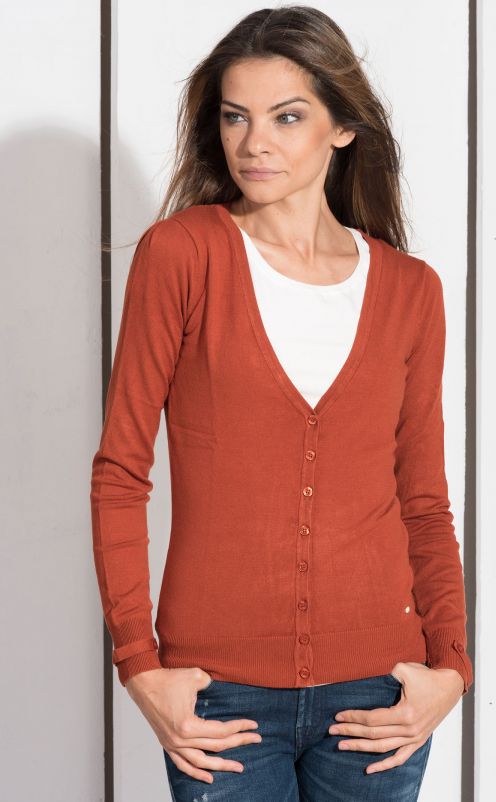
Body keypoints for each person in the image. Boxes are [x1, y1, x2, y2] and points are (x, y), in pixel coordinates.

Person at [90, 6, 474, 801]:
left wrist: (451, 668)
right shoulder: (183, 254)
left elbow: (424, 501)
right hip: (218, 695)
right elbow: (121, 473)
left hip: (381, 693)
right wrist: (138, 663)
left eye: (286, 117)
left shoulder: (411, 290)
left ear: (343, 128)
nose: (254, 142)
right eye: (236, 117)